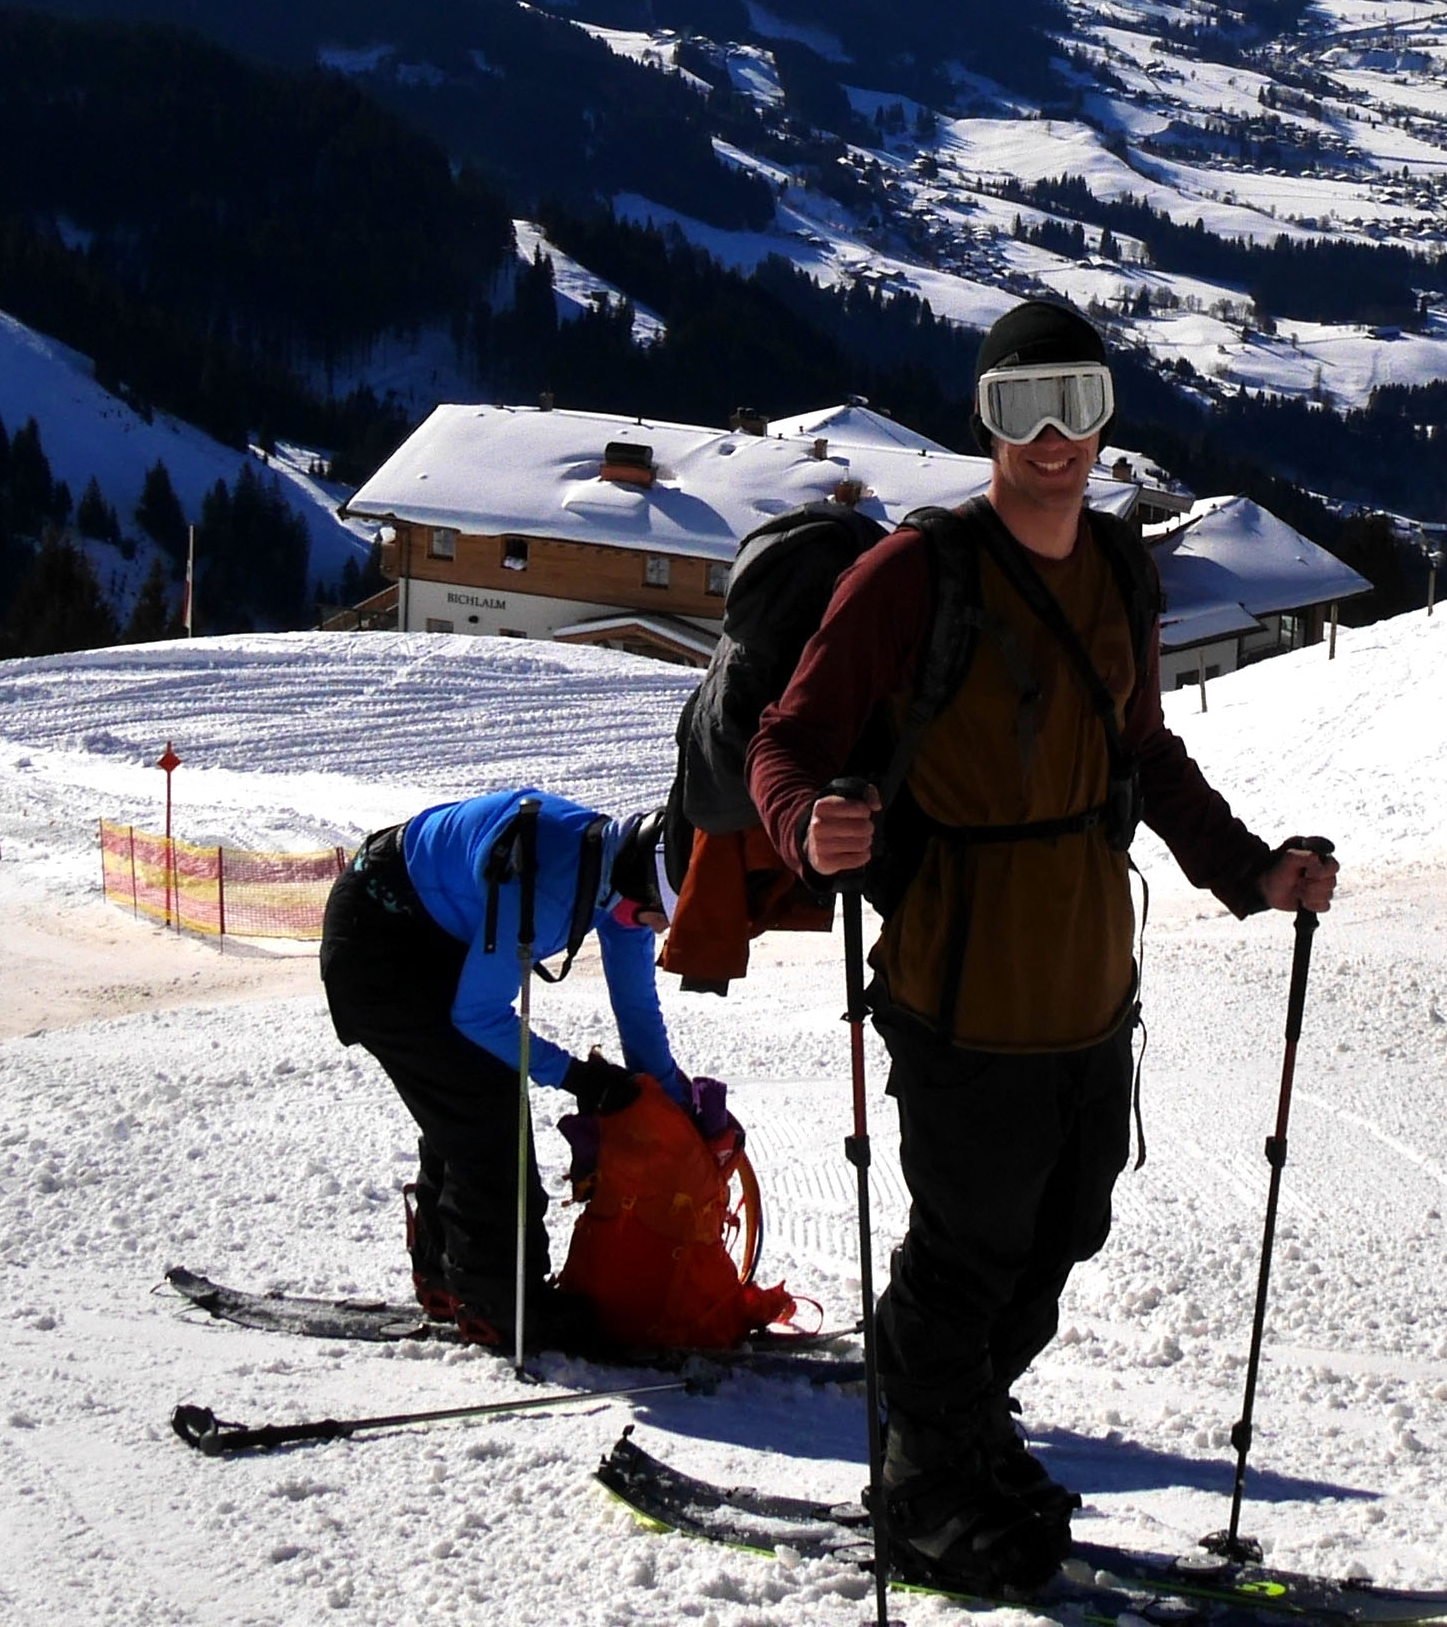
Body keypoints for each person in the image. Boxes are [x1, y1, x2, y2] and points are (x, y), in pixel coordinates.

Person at [748, 297, 1341, 1599]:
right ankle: (922, 1485)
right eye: (1027, 406)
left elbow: (1144, 757)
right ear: (986, 421)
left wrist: (1250, 872)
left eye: (1080, 400)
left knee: (1061, 1237)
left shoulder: (1123, 572)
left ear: (1108, 416)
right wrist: (807, 828)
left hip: (1089, 990)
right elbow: (784, 745)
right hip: (958, 991)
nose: (1058, 435)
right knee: (964, 1257)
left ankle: (960, 1432)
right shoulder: (913, 575)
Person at [318, 786, 683, 1351]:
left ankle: (446, 1273)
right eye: (657, 918)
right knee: (486, 1111)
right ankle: (501, 1306)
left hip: (421, 929)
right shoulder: (550, 886)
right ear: (642, 891)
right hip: (378, 944)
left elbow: (636, 1008)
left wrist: (671, 1101)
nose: (656, 931)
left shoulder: (614, 868)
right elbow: (479, 1016)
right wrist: (576, 1076)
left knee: (472, 1097)